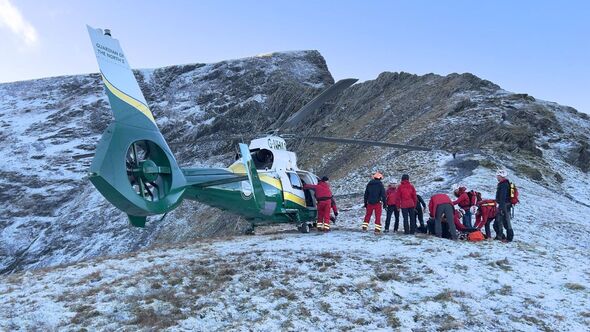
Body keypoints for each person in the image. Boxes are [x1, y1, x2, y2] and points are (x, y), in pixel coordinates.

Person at [495, 169, 514, 242]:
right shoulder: (505, 183)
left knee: (506, 222)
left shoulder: (504, 185)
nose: (497, 177)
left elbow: (502, 197)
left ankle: (509, 238)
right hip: (505, 205)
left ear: (501, 176)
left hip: (504, 206)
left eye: (498, 176)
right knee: (502, 221)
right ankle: (501, 236)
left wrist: (501, 208)